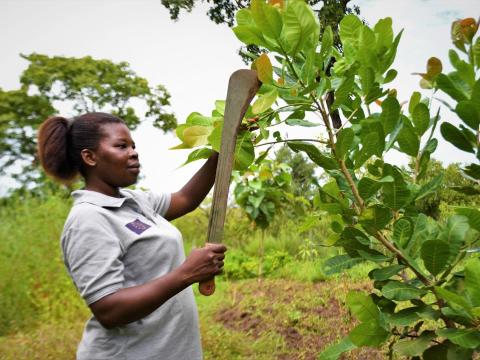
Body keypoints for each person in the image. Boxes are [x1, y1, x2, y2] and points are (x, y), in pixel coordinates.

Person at [37, 112, 227, 360]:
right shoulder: (89, 219)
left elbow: (186, 199)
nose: (134, 152)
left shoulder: (135, 201)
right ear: (90, 156)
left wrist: (224, 146)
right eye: (121, 146)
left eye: (133, 146)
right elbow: (109, 310)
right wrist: (187, 273)